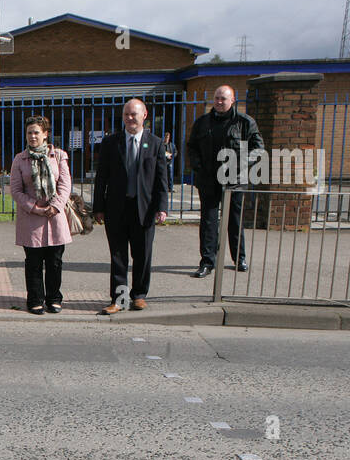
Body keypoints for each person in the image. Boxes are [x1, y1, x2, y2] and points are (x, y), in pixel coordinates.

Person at [92, 98, 170, 314]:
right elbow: (102, 178)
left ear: (144, 115)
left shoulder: (154, 143)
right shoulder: (111, 143)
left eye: (133, 114)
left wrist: (162, 207)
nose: (129, 118)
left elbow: (161, 179)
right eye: (126, 114)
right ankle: (119, 299)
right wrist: (98, 207)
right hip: (117, 208)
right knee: (118, 256)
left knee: (143, 254)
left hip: (143, 209)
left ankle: (139, 295)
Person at [187, 85, 262, 277]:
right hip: (208, 180)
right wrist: (197, 165)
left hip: (234, 181)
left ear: (232, 100)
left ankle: (239, 258)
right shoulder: (203, 122)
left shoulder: (245, 123)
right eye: (217, 98)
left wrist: (240, 164)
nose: (219, 102)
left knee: (234, 221)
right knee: (208, 222)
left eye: (224, 99)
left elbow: (258, 149)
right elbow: (192, 147)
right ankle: (207, 262)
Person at [9, 116, 71, 314]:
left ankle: (54, 298)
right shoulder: (20, 159)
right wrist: (35, 207)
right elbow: (16, 190)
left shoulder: (59, 156)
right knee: (33, 262)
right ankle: (35, 299)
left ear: (45, 134)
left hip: (55, 216)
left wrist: (55, 206)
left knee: (54, 261)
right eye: (29, 132)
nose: (32, 136)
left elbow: (65, 184)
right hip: (31, 218)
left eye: (36, 132)